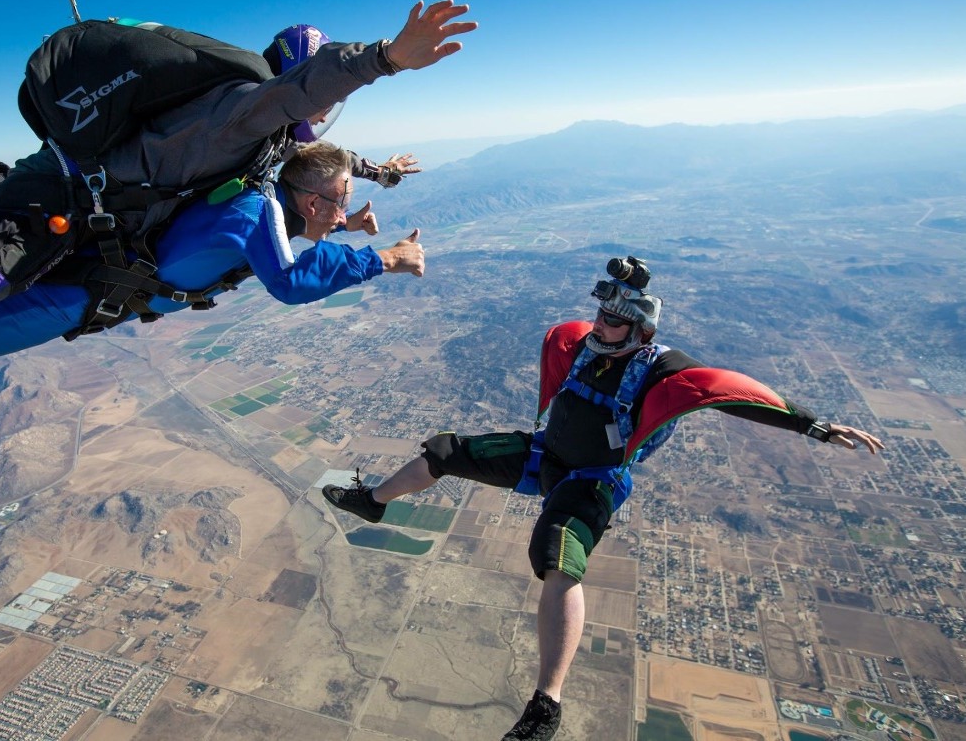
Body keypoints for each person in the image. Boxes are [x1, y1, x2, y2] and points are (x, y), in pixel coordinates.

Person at [321, 256, 884, 741]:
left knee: (556, 554)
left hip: (593, 478)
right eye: (600, 314)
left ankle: (548, 702)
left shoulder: (661, 367)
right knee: (446, 450)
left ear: (638, 329)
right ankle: (373, 500)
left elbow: (729, 392)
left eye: (614, 320)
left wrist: (813, 426)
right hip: (547, 455)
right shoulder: (586, 347)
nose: (600, 324)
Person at [0, 0, 474, 326]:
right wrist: (385, 59)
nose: (323, 114)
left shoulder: (250, 130)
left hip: (69, 184)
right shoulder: (244, 110)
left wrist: (379, 174)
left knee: (2, 243)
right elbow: (296, 101)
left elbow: (309, 155)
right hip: (59, 202)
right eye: (322, 100)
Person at [0, 141, 425, 373]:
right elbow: (292, 283)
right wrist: (382, 260)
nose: (343, 211)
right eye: (341, 201)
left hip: (81, 269)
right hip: (69, 298)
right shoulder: (260, 214)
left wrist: (344, 222)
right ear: (308, 198)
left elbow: (258, 242)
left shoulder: (253, 197)